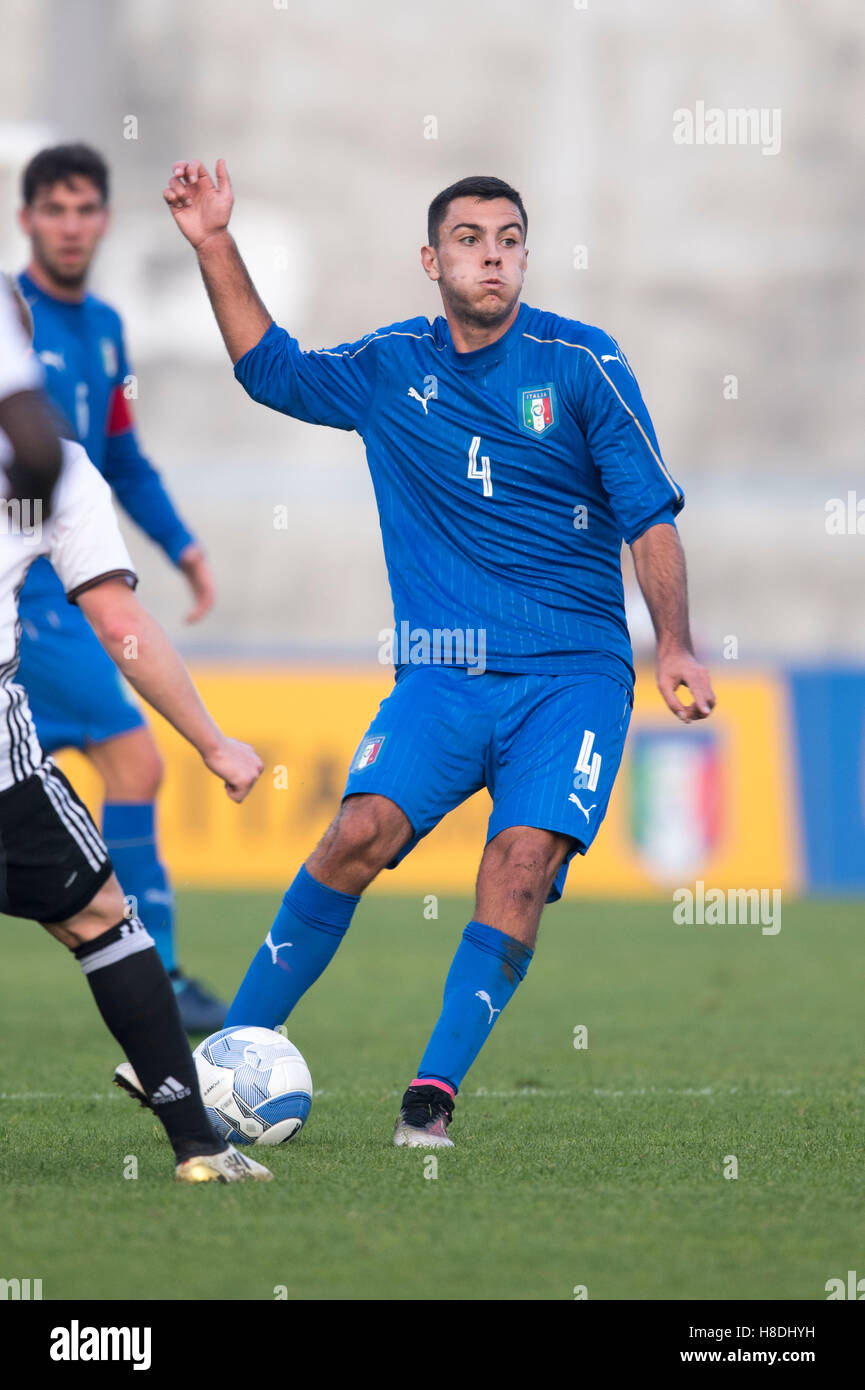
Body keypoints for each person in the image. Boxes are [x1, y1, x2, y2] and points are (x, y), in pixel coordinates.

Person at [159, 161, 715, 1148]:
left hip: (573, 675)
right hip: (441, 672)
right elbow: (268, 368)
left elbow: (648, 513)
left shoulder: (583, 362)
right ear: (431, 259)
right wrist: (212, 244)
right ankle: (230, 1052)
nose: (491, 254)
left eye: (507, 239)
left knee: (517, 860)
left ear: (524, 257)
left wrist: (672, 641)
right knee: (357, 831)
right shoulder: (388, 367)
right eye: (469, 238)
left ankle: (431, 1095)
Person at [0, 275, 271, 1182]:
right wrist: (214, 741)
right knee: (102, 919)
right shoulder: (57, 465)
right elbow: (120, 626)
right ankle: (199, 1146)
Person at [15, 143, 226, 1031]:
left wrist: (182, 546)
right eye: (54, 209)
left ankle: (159, 968)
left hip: (72, 591)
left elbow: (123, 457)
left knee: (123, 769)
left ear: (104, 218)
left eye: (85, 209)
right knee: (136, 761)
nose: (71, 225)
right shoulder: (10, 315)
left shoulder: (103, 326)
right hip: (32, 598)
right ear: (27, 217)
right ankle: (160, 972)